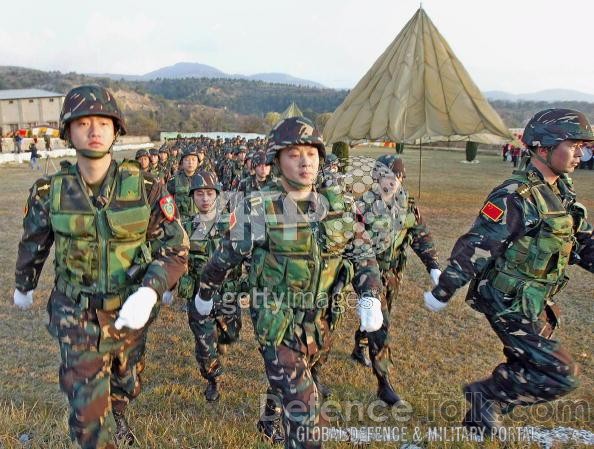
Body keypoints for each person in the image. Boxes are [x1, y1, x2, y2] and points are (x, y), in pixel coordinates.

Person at [13, 85, 189, 449]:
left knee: (127, 381)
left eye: (103, 123)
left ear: (116, 130)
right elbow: (34, 243)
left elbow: (176, 247)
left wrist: (150, 289)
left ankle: (119, 408)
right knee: (89, 419)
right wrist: (24, 284)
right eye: (84, 123)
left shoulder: (146, 187)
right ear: (68, 131)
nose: (94, 131)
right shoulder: (49, 192)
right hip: (75, 313)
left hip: (129, 312)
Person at [196, 117, 384, 448]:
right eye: (294, 154)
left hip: (320, 321)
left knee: (301, 373)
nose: (305, 161)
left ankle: (269, 416)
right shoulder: (259, 207)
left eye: (311, 153)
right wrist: (206, 293)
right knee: (307, 418)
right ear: (277, 160)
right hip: (277, 322)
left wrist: (369, 294)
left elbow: (362, 252)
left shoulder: (337, 206)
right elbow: (225, 256)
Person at [423, 108, 594, 434]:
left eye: (583, 146)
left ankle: (477, 421)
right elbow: (478, 244)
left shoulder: (561, 192)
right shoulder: (517, 196)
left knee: (528, 361)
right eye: (573, 145)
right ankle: (485, 397)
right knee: (561, 371)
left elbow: (583, 241)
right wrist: (443, 290)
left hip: (533, 299)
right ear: (544, 148)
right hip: (506, 299)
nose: (580, 153)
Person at [351, 154, 441, 403]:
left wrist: (432, 265)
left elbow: (420, 235)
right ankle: (384, 383)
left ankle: (360, 345)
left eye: (396, 178)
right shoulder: (361, 204)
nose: (390, 183)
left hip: (392, 273)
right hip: (364, 272)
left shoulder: (407, 204)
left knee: (377, 315)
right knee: (381, 323)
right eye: (385, 177)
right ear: (375, 178)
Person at [181, 170, 243, 401]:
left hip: (227, 294)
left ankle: (221, 343)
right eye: (199, 194)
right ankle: (213, 380)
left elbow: (244, 255)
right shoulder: (186, 226)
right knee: (205, 346)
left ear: (216, 195)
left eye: (209, 194)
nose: (205, 199)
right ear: (193, 197)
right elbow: (177, 258)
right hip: (199, 296)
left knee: (231, 335)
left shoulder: (231, 222)